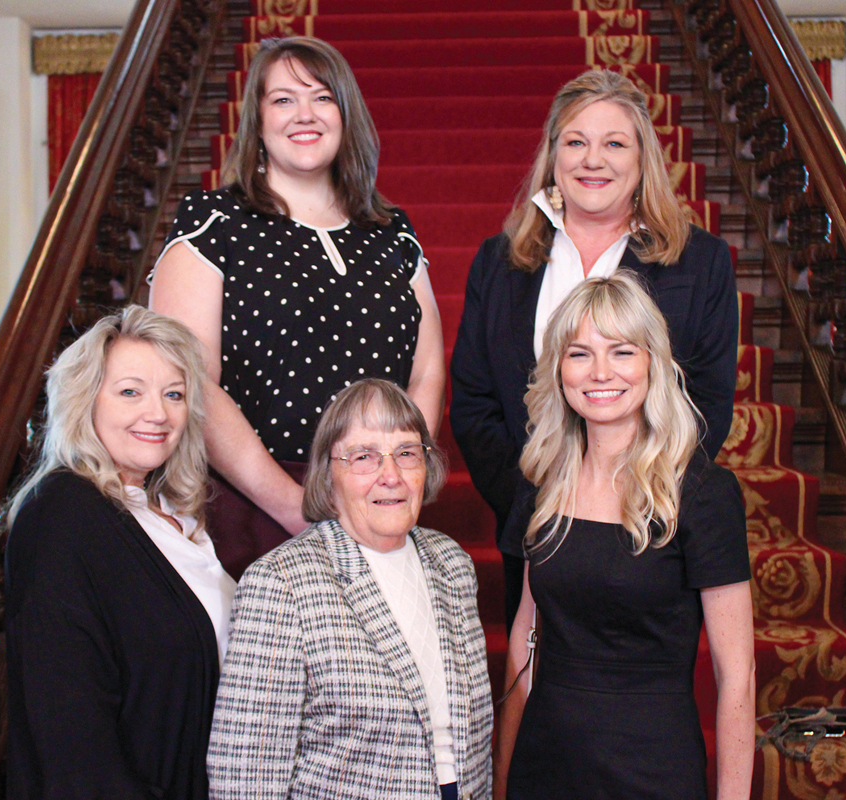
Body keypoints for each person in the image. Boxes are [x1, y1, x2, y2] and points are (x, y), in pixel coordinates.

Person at [450, 69, 738, 628]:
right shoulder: (500, 261)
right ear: (553, 156)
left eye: (614, 143)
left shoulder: (700, 263)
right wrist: (530, 502)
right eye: (576, 142)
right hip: (533, 519)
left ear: (642, 159)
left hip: (648, 526)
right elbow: (475, 400)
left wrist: (639, 499)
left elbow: (708, 401)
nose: (592, 159)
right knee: (535, 685)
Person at [149, 37, 444, 578]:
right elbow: (191, 381)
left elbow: (426, 368)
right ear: (257, 122)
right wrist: (294, 506)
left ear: (345, 114)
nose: (305, 114)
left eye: (322, 97)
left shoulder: (392, 232)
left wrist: (399, 474)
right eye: (283, 100)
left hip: (381, 502)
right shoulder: (216, 223)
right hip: (253, 504)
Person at [493, 272, 754, 800]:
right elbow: (524, 643)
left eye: (622, 351)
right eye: (580, 354)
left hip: (653, 768)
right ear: (559, 370)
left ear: (652, 363)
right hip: (545, 762)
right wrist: (502, 778)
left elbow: (738, 677)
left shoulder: (703, 493)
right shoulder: (539, 483)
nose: (601, 372)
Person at [208, 379, 492, 800]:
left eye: (407, 453)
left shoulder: (451, 563)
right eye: (364, 457)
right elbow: (246, 772)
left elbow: (468, 741)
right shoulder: (282, 582)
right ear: (328, 473)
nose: (391, 476)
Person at [5, 306, 234, 800]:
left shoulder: (167, 510)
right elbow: (71, 734)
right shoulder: (62, 515)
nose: (158, 413)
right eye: (130, 391)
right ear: (84, 401)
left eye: (173, 394)